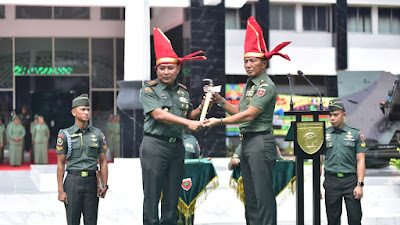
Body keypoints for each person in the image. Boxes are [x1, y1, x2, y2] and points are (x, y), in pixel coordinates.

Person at [204, 17, 291, 225]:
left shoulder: (265, 85)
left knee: (263, 197)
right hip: (248, 143)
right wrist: (220, 101)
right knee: (249, 196)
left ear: (264, 63)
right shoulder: (250, 85)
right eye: (246, 61)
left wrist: (219, 122)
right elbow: (239, 110)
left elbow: (250, 114)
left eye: (253, 61)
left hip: (261, 143)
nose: (248, 65)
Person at [139, 26, 206, 225]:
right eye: (162, 68)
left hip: (176, 147)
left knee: (172, 195)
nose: (166, 72)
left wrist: (204, 106)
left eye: (170, 68)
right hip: (154, 146)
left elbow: (190, 114)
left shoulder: (183, 92)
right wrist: (189, 122)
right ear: (156, 69)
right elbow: (159, 114)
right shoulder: (149, 89)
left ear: (178, 69)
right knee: (152, 195)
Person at [56, 94, 108, 225]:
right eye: (83, 109)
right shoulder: (65, 134)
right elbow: (61, 164)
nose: (86, 113)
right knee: (73, 221)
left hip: (92, 182)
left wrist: (105, 184)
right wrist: (61, 190)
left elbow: (103, 161)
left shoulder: (97, 134)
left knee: (91, 221)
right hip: (73, 181)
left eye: (88, 110)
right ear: (74, 112)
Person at [323, 99, 367, 225]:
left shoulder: (355, 134)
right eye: (330, 115)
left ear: (344, 115)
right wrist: (316, 186)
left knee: (354, 218)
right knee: (332, 220)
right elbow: (319, 160)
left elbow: (361, 160)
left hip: (350, 182)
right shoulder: (324, 134)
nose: (332, 118)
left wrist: (360, 185)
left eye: (336, 115)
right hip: (331, 181)